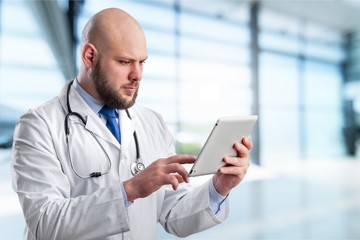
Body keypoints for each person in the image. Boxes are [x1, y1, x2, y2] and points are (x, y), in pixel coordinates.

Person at [11, 8, 253, 240]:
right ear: (89, 56)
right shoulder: (38, 125)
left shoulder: (152, 122)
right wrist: (131, 190)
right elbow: (45, 224)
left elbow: (173, 214)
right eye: (125, 62)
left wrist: (218, 188)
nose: (137, 75)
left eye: (142, 62)